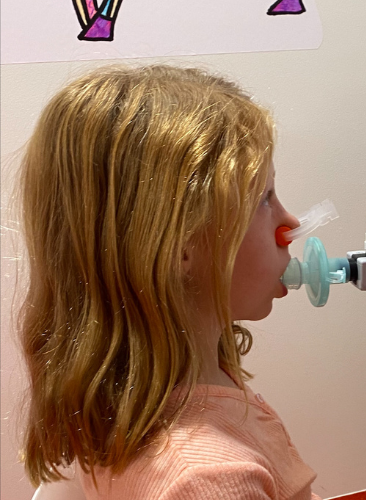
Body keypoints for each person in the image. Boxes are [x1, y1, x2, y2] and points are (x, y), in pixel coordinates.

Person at [17, 64, 321, 499]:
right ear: (180, 247)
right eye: (264, 200)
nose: (289, 224)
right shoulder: (209, 481)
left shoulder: (149, 392)